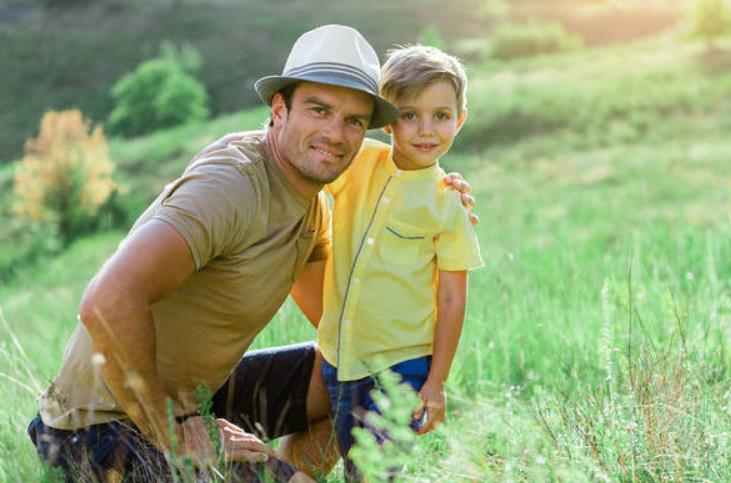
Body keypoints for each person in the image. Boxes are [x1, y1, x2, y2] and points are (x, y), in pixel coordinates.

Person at [27, 24, 400, 482]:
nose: (335, 133)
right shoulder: (230, 187)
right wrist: (175, 430)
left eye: (353, 120)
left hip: (196, 396)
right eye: (318, 110)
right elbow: (106, 303)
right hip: (98, 428)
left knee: (364, 377)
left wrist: (434, 213)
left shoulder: (312, 208)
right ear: (279, 109)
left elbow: (345, 331)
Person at [315, 44, 483, 480]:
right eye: (409, 115)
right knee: (355, 469)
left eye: (441, 116)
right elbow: (306, 173)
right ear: (386, 119)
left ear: (460, 119)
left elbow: (451, 300)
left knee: (376, 473)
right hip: (341, 361)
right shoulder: (357, 162)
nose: (426, 130)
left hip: (404, 367)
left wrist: (436, 382)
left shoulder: (448, 202)